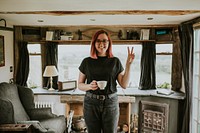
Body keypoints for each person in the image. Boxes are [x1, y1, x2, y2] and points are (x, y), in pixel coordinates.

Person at [78, 30, 135, 133]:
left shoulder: (115, 61)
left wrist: (128, 65)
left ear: (109, 43)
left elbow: (124, 84)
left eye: (105, 41)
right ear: (94, 43)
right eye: (98, 41)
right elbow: (80, 85)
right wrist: (89, 86)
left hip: (110, 103)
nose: (101, 44)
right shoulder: (86, 62)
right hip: (91, 103)